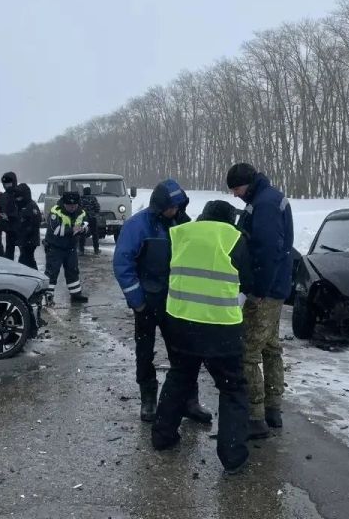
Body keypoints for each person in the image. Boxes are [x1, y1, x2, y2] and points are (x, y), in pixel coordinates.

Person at [152, 200, 253, 473]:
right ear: (229, 219)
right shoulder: (234, 238)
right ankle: (233, 458)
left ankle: (163, 436)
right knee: (232, 388)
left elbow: (165, 272)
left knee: (180, 377)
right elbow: (248, 279)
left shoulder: (181, 233)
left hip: (181, 321)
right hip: (221, 326)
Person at [113, 180, 211, 424]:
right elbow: (122, 264)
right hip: (147, 301)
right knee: (145, 352)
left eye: (178, 206)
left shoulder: (183, 223)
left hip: (177, 302)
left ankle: (190, 400)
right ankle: (148, 398)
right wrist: (137, 300)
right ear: (159, 206)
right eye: (170, 207)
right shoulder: (137, 226)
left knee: (183, 353)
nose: (174, 211)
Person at [227, 162, 294, 440]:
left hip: (265, 289)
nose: (235, 195)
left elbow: (268, 250)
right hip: (276, 286)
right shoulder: (268, 198)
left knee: (249, 350)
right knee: (270, 346)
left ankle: (255, 416)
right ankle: (273, 408)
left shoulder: (264, 204)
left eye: (236, 189)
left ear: (247, 183)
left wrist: (259, 288)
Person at [44, 191, 90, 304]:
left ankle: (76, 294)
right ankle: (48, 295)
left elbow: (87, 223)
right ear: (64, 204)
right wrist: (73, 230)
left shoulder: (81, 212)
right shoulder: (56, 211)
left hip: (70, 247)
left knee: (73, 271)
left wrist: (84, 229)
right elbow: (55, 230)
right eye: (69, 205)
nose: (72, 208)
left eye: (74, 205)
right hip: (55, 247)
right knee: (52, 272)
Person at [15, 183, 42, 271]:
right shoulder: (21, 205)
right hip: (24, 238)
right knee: (28, 259)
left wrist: (26, 232)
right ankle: (33, 275)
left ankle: (30, 275)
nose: (18, 199)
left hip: (30, 239)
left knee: (25, 259)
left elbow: (36, 222)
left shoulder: (31, 206)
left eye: (20, 197)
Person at [0, 172, 21, 261]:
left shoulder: (20, 193)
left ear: (14, 182)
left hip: (20, 229)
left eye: (9, 183)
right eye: (5, 184)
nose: (7, 186)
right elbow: (0, 209)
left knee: (25, 256)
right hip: (9, 229)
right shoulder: (4, 196)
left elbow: (23, 211)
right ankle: (9, 271)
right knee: (9, 254)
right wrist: (1, 218)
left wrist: (10, 216)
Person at [78, 186, 101, 256]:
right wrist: (94, 212)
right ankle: (96, 250)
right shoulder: (93, 198)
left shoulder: (81, 198)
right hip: (92, 218)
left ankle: (81, 250)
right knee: (95, 234)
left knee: (82, 234)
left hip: (84, 219)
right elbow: (97, 208)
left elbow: (78, 208)